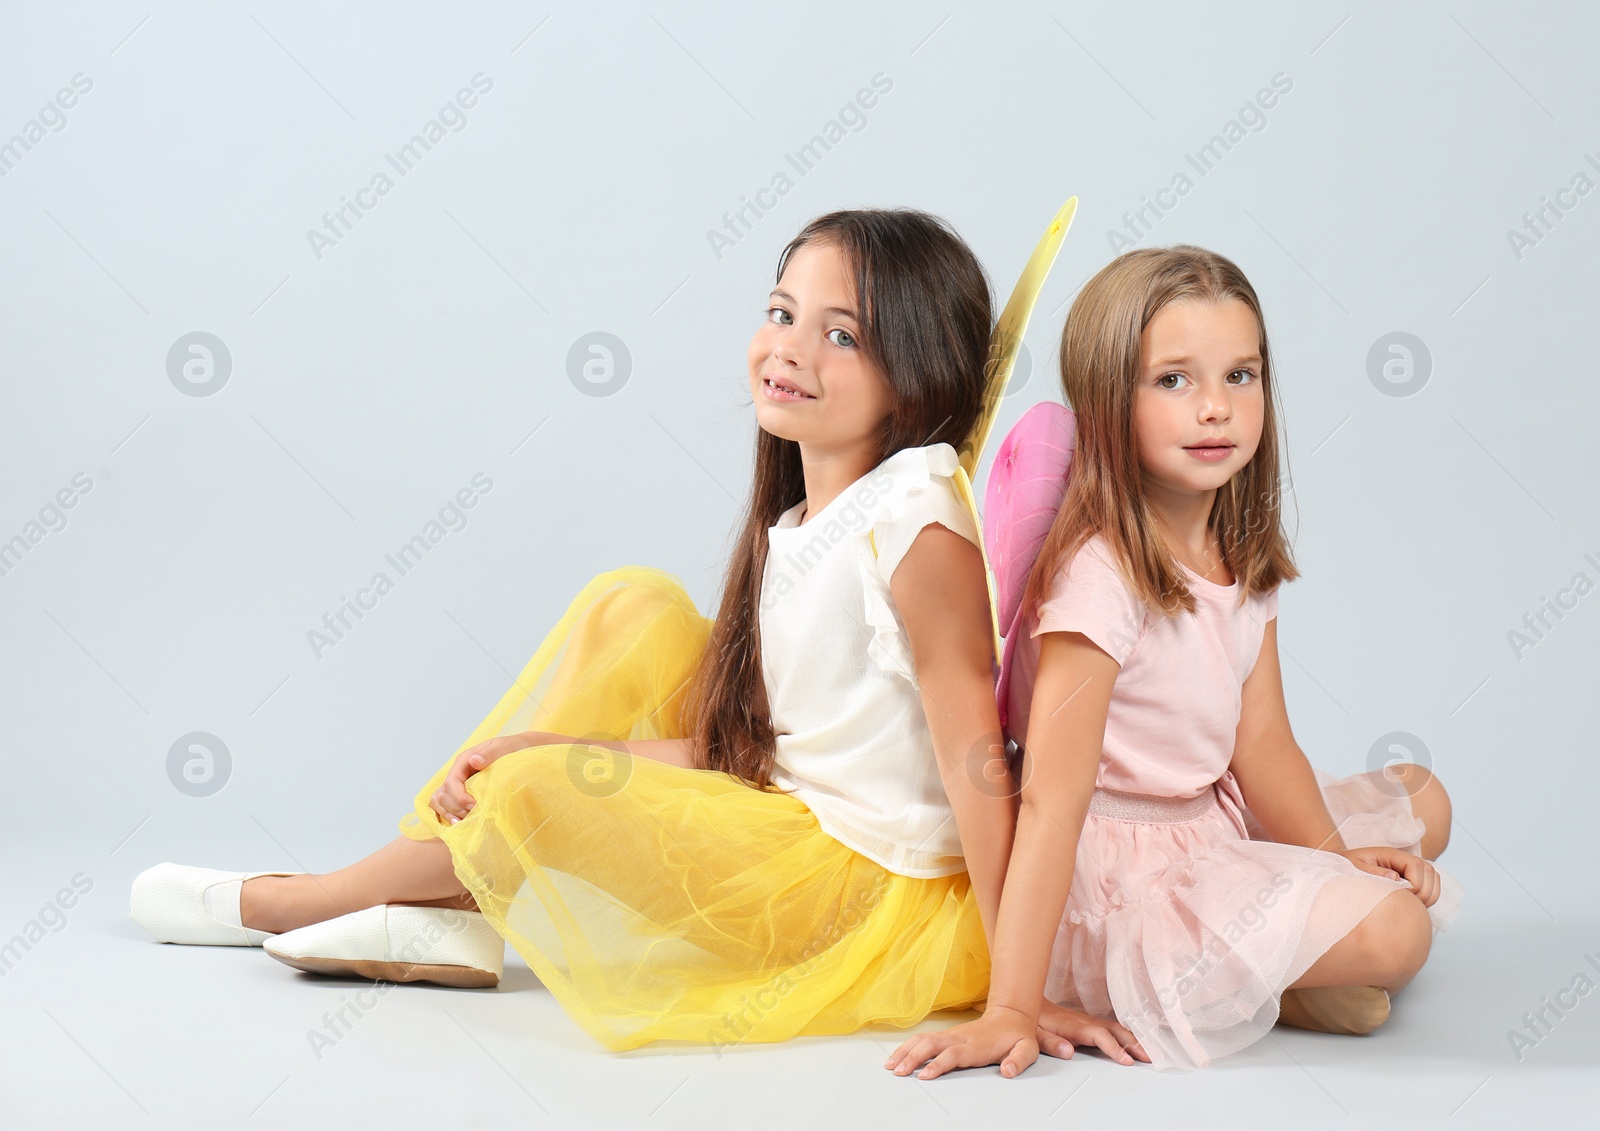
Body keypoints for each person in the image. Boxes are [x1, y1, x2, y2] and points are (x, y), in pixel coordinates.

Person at [130, 208, 1142, 1060]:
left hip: (861, 895)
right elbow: (747, 750)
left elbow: (976, 764)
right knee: (636, 612)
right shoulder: (807, 521)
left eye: (841, 335)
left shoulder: (915, 526)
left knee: (529, 796)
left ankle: (302, 899)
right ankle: (438, 906)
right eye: (782, 312)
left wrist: (1019, 985)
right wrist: (559, 746)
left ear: (917, 374)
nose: (787, 347)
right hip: (793, 822)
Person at [884, 244, 1461, 1078]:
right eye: (1174, 381)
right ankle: (1277, 981)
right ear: (1108, 400)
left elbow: (1262, 748)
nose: (1216, 409)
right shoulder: (1100, 578)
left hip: (1210, 814)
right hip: (1120, 874)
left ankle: (1282, 967)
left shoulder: (1240, 553)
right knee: (1399, 930)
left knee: (1422, 799)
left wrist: (1335, 855)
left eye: (1241, 376)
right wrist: (1012, 1005)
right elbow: (1050, 803)